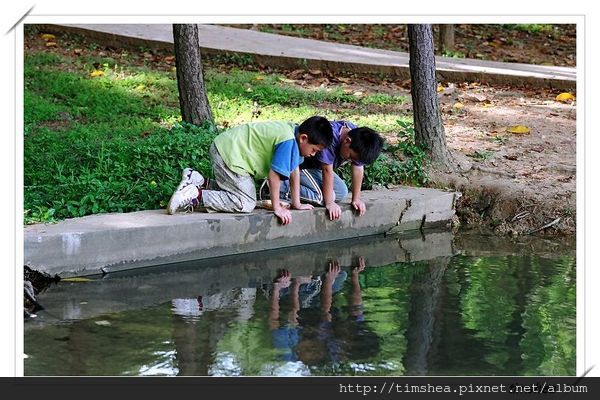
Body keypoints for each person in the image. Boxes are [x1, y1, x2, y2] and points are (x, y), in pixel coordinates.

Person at [166, 116, 333, 225]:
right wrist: (277, 207)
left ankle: (199, 180)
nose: (314, 154)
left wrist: (296, 204)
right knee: (246, 202)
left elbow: (294, 171)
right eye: (315, 150)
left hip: (227, 148)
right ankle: (196, 195)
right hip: (230, 154)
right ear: (304, 138)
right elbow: (274, 176)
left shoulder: (294, 134)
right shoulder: (288, 141)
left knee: (240, 193)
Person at [261, 120, 384, 221]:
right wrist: (329, 203)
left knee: (341, 192)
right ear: (347, 141)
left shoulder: (357, 137)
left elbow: (358, 167)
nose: (351, 161)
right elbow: (327, 171)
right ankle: (279, 188)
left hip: (315, 169)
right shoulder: (331, 138)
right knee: (323, 198)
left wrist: (356, 199)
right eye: (351, 157)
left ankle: (289, 189)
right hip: (301, 165)